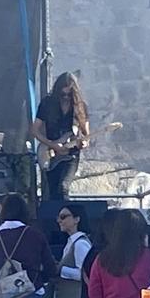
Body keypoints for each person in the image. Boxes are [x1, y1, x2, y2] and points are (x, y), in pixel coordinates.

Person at [33, 71, 91, 202]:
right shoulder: (47, 103)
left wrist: (84, 143)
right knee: (53, 192)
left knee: (63, 187)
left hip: (71, 155)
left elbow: (86, 135)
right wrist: (51, 144)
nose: (65, 98)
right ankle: (57, 220)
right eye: (62, 94)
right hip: (51, 154)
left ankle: (67, 217)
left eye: (69, 95)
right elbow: (35, 130)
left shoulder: (81, 107)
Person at [52, 202, 97, 298]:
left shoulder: (80, 244)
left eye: (64, 217)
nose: (59, 220)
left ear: (77, 219)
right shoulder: (71, 243)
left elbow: (84, 273)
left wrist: (60, 270)